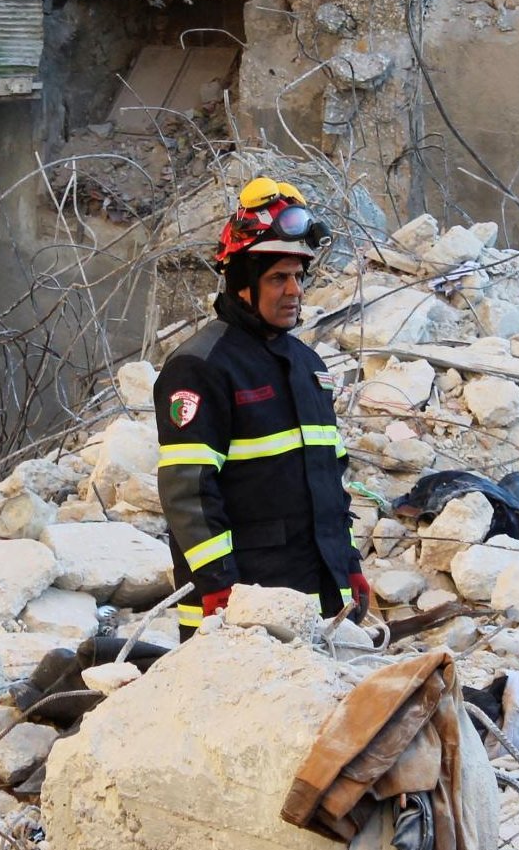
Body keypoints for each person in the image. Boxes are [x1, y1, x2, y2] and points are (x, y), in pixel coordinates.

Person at [153, 176, 370, 640]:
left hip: (315, 607)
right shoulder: (199, 366)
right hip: (239, 614)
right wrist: (217, 587)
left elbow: (330, 481)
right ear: (242, 283)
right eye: (278, 278)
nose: (294, 290)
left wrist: (348, 565)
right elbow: (188, 491)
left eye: (298, 276)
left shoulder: (307, 365)